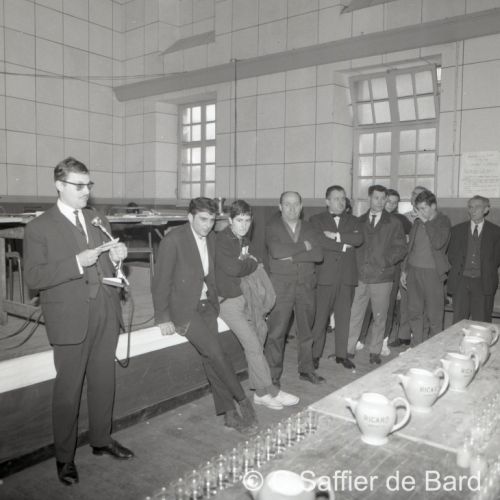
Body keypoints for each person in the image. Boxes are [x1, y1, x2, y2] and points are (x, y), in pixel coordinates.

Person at [24, 157, 134, 486]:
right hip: (69, 317)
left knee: (104, 381)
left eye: (89, 185)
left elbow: (108, 267)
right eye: (79, 185)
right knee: (68, 392)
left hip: (104, 310)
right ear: (59, 185)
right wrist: (76, 262)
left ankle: (101, 439)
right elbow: (34, 277)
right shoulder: (39, 227)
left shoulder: (97, 218)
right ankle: (64, 457)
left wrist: (116, 258)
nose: (86, 191)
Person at [152, 197, 258, 435]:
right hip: (184, 309)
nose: (208, 225)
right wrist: (163, 317)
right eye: (202, 219)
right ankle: (243, 402)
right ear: (190, 217)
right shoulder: (173, 240)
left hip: (206, 305)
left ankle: (228, 414)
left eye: (211, 220)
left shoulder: (210, 238)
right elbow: (160, 282)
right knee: (217, 354)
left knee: (212, 359)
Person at [215, 200, 299, 410]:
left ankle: (263, 392)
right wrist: (252, 262)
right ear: (230, 220)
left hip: (245, 297)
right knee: (253, 345)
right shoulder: (223, 240)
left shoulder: (242, 238)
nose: (244, 225)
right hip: (227, 302)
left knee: (258, 341)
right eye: (239, 220)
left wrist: (249, 262)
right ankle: (268, 391)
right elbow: (235, 268)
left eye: (247, 220)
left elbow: (246, 263)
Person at [264, 191, 324, 385]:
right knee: (276, 332)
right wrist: (304, 246)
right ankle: (273, 375)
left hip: (306, 284)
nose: (291, 208)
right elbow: (276, 251)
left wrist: (292, 255)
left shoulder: (310, 227)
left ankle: (306, 370)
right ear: (280, 207)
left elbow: (318, 255)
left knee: (306, 331)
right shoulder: (272, 227)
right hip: (281, 285)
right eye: (287, 204)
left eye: (295, 204)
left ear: (301, 206)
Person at [346, 185, 407, 365]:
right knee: (355, 314)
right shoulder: (359, 221)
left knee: (380, 316)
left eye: (383, 198)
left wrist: (385, 262)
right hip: (360, 277)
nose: (380, 202)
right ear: (369, 199)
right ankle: (349, 348)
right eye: (376, 198)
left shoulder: (394, 223)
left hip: (382, 277)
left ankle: (375, 350)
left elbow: (401, 248)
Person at [310, 185, 363, 370]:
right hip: (324, 276)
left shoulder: (354, 220)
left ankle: (342, 354)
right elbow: (318, 240)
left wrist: (336, 236)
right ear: (327, 201)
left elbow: (359, 239)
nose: (341, 202)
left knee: (344, 317)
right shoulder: (316, 220)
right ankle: (314, 354)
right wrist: (343, 245)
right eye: (336, 199)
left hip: (347, 276)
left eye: (343, 198)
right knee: (320, 318)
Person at [401, 190, 451, 346]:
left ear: (433, 206)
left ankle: (434, 349)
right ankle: (417, 345)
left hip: (432, 273)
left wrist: (425, 221)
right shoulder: (417, 222)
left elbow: (438, 243)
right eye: (418, 209)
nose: (420, 212)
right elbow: (411, 247)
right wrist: (404, 270)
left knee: (434, 314)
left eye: (423, 208)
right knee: (415, 312)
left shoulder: (443, 221)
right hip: (413, 270)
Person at [447, 195, 500, 323]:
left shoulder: (496, 232)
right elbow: (451, 255)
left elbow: (496, 259)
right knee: (458, 322)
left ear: (486, 210)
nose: (473, 210)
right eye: (470, 207)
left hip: (483, 282)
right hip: (461, 282)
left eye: (477, 207)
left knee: (481, 322)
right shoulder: (457, 230)